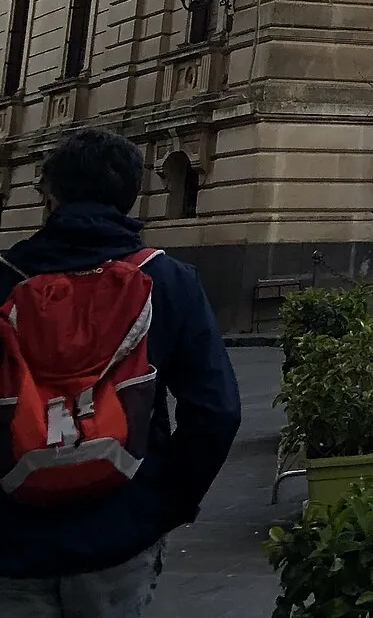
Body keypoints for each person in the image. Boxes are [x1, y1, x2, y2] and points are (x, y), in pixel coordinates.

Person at [0, 126, 242, 616]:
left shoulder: (3, 280)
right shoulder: (168, 280)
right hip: (119, 528)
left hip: (12, 535)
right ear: (131, 197)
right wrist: (165, 503)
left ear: (51, 195)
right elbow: (216, 412)